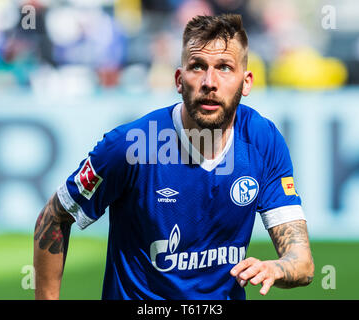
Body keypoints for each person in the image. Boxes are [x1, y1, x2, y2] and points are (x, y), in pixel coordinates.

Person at [33, 14, 314, 300]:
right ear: (179, 80)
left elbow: (302, 263)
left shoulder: (262, 140)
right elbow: (55, 217)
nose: (210, 81)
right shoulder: (132, 146)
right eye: (197, 67)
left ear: (246, 82)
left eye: (225, 68)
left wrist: (278, 268)